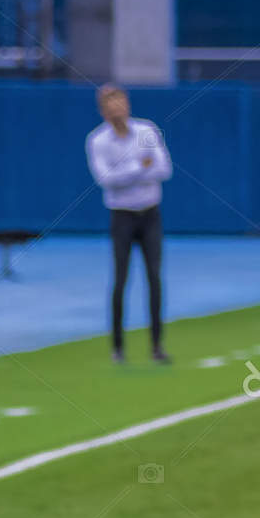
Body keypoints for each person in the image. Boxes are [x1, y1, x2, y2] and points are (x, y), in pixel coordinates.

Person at [86, 83, 173, 364]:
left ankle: (157, 345)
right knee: (121, 280)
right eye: (111, 108)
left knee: (154, 278)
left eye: (121, 105)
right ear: (103, 112)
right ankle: (118, 348)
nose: (118, 112)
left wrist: (127, 173)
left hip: (150, 214)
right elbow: (105, 180)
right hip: (121, 216)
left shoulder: (147, 131)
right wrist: (139, 168)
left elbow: (163, 168)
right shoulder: (98, 141)